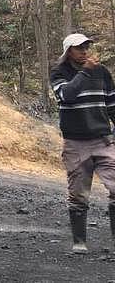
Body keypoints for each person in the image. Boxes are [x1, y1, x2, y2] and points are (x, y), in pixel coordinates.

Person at [50, 33, 115, 254]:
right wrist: (85, 72)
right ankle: (79, 241)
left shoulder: (102, 72)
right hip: (75, 141)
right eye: (79, 48)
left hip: (103, 139)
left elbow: (112, 104)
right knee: (78, 193)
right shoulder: (59, 73)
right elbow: (66, 95)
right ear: (68, 51)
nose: (84, 51)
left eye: (87, 46)